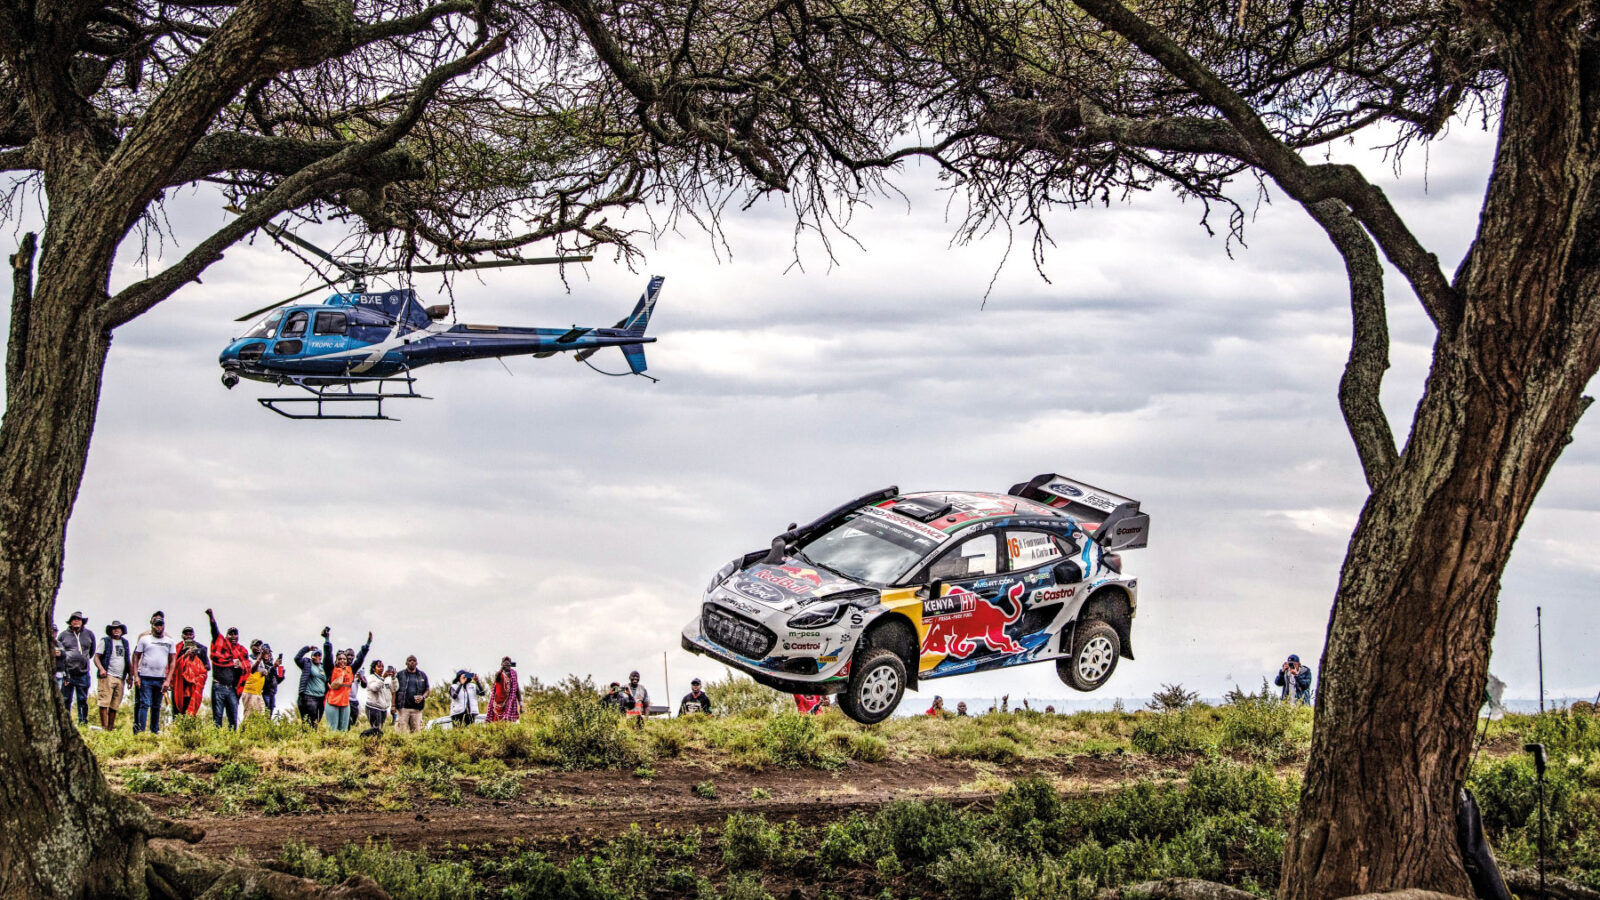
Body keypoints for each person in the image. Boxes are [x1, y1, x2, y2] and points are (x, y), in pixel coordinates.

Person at [206, 609, 250, 730]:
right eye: (231, 634)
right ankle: (217, 743)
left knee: (233, 719)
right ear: (226, 636)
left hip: (232, 689)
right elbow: (214, 630)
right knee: (218, 717)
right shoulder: (220, 645)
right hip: (218, 686)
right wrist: (211, 617)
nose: (233, 636)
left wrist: (240, 665)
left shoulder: (241, 651)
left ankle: (232, 743)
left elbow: (247, 668)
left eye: (235, 634)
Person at [130, 612, 174, 734]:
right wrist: (135, 676)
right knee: (143, 704)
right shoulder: (144, 638)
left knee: (156, 706)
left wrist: (168, 680)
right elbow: (135, 656)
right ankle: (140, 732)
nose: (159, 627)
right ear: (152, 624)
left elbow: (172, 662)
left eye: (161, 624)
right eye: (156, 624)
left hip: (160, 678)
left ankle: (154, 731)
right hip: (144, 676)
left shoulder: (169, 640)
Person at [324, 632, 371, 732]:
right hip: (333, 702)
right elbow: (328, 655)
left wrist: (368, 643)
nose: (342, 660)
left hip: (345, 703)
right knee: (333, 729)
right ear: (336, 660)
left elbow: (360, 659)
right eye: (340, 659)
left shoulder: (350, 670)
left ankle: (342, 747)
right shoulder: (331, 670)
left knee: (344, 730)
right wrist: (327, 640)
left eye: (344, 659)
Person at [56, 610, 95, 725]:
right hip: (68, 673)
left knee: (82, 699)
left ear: (82, 622)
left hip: (83, 673)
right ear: (70, 622)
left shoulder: (89, 634)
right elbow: (59, 651)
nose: (76, 621)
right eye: (74, 619)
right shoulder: (63, 635)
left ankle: (82, 722)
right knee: (66, 699)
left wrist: (83, 660)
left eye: (79, 619)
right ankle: (65, 723)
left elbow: (91, 652)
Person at [95, 620, 131, 730]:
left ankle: (110, 729)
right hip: (107, 675)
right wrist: (101, 669)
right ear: (110, 631)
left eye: (118, 628)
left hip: (120, 677)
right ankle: (104, 728)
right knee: (104, 703)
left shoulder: (125, 643)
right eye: (114, 628)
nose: (116, 630)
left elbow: (127, 660)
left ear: (122, 631)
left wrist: (131, 676)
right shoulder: (105, 641)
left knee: (115, 705)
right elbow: (96, 657)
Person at [295, 630, 333, 727]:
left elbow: (328, 657)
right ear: (312, 656)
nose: (317, 656)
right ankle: (306, 739)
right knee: (309, 722)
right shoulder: (307, 664)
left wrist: (327, 639)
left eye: (319, 655)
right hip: (309, 697)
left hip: (320, 697)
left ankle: (312, 739)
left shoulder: (323, 666)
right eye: (315, 655)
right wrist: (308, 648)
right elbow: (297, 658)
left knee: (317, 721)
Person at [170, 626, 211, 718]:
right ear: (182, 636)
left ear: (194, 636)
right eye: (186, 634)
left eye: (190, 634)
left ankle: (189, 731)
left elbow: (207, 667)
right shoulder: (176, 649)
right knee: (177, 711)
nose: (188, 636)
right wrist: (185, 655)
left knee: (190, 712)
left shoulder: (201, 649)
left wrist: (195, 661)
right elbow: (172, 666)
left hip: (193, 685)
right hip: (179, 684)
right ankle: (177, 730)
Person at [395, 656, 430, 734]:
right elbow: (394, 690)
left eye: (414, 661)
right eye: (410, 660)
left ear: (417, 663)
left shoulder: (422, 675)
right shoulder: (400, 674)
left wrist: (422, 697)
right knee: (401, 733)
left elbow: (427, 689)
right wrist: (393, 705)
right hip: (402, 709)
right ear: (406, 663)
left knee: (417, 734)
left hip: (417, 709)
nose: (412, 662)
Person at [361, 660, 396, 732]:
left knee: (380, 729)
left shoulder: (387, 679)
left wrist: (393, 678)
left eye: (382, 666)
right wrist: (382, 678)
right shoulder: (371, 677)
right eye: (379, 666)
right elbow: (374, 688)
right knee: (375, 729)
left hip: (383, 708)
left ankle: (376, 742)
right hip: (373, 707)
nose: (381, 668)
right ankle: (366, 738)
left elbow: (395, 689)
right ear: (374, 668)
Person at [238, 644, 270, 722]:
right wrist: (259, 658)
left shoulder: (261, 660)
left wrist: (264, 671)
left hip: (258, 692)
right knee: (248, 716)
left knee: (262, 715)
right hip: (250, 691)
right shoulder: (248, 658)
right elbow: (252, 670)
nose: (258, 647)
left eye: (259, 646)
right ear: (251, 647)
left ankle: (257, 734)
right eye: (256, 645)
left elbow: (259, 671)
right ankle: (242, 733)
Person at [485, 657, 522, 723]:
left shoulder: (513, 675)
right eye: (505, 663)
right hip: (498, 704)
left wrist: (520, 704)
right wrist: (502, 668)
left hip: (509, 704)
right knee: (496, 725)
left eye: (508, 663)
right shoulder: (499, 674)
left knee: (507, 724)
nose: (507, 665)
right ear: (502, 664)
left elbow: (517, 689)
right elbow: (497, 677)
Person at [260, 644, 285, 717]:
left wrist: (281, 676)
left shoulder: (271, 664)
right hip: (264, 692)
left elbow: (275, 680)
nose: (267, 655)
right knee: (264, 713)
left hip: (272, 692)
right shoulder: (261, 664)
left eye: (268, 653)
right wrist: (274, 667)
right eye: (265, 653)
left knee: (269, 715)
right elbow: (266, 678)